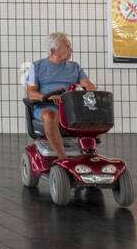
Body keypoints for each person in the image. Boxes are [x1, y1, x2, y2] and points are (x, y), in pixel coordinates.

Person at [26, 32, 96, 161]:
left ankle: (90, 155)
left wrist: (83, 87)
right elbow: (31, 93)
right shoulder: (37, 66)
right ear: (53, 50)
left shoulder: (75, 67)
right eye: (67, 46)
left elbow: (89, 85)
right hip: (47, 107)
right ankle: (63, 159)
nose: (71, 50)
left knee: (97, 111)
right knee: (50, 115)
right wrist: (49, 97)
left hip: (71, 106)